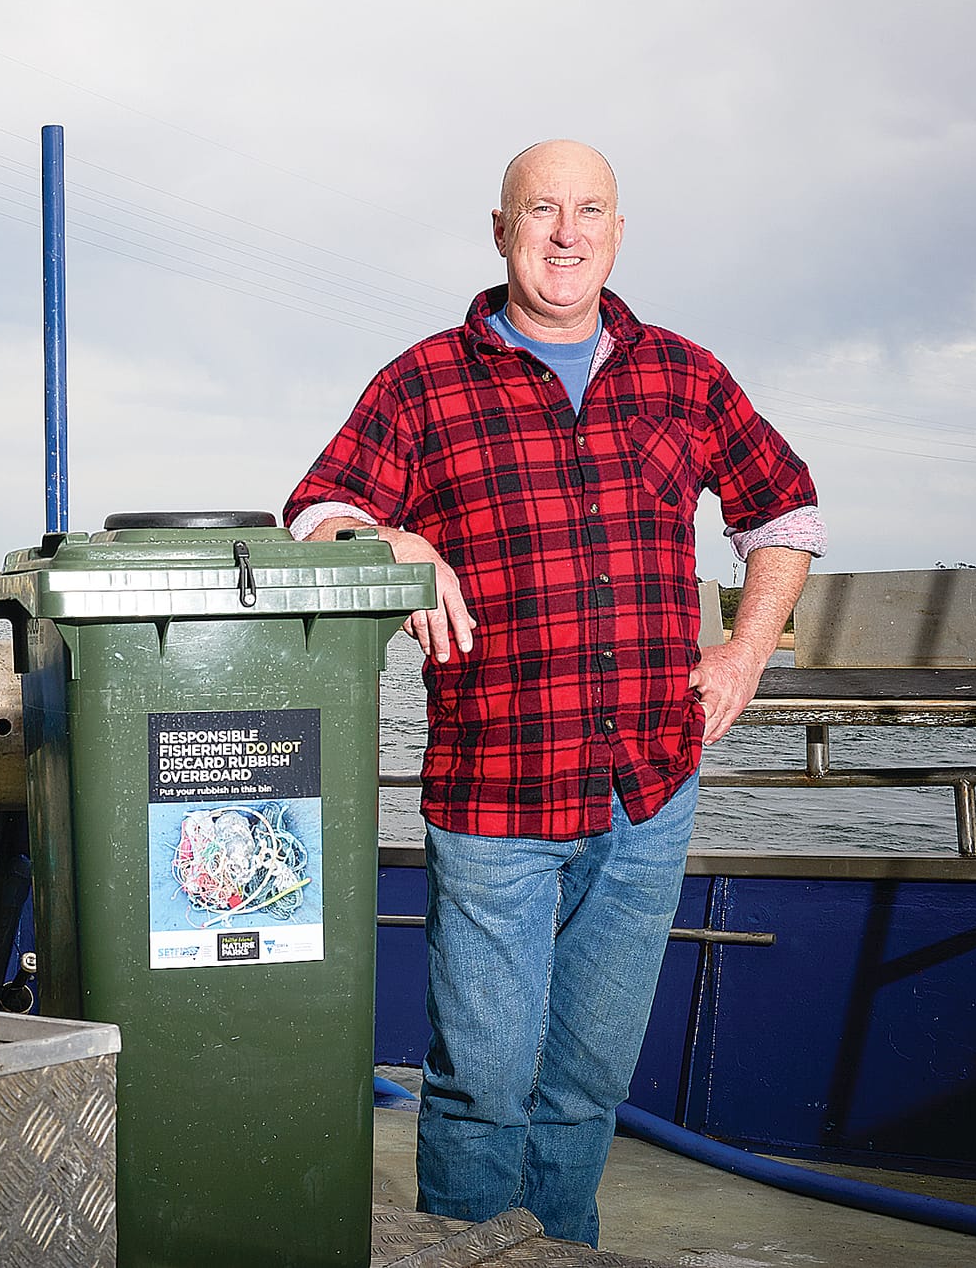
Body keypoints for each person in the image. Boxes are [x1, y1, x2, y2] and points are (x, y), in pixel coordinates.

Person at [284, 140, 824, 1247]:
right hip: (494, 798)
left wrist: (744, 651)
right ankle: (467, 1249)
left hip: (647, 791)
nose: (565, 232)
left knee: (584, 1084)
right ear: (500, 229)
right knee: (480, 1082)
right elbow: (311, 514)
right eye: (541, 210)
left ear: (617, 233)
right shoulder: (422, 379)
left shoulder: (682, 372)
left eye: (589, 211)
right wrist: (396, 540)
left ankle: (560, 1250)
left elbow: (783, 509)